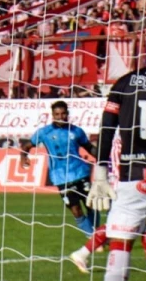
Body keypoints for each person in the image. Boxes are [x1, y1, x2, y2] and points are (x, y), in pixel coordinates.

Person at [72, 36, 146, 281]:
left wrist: (100, 170)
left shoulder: (125, 81)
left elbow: (107, 126)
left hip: (137, 174)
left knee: (120, 242)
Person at [20, 101, 98, 239]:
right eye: (57, 114)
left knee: (92, 205)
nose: (60, 117)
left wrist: (102, 157)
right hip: (60, 177)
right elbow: (27, 146)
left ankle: (95, 238)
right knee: (76, 210)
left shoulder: (76, 131)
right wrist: (23, 156)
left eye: (63, 114)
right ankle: (93, 238)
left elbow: (89, 148)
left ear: (67, 114)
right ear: (52, 115)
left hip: (80, 172)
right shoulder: (44, 132)